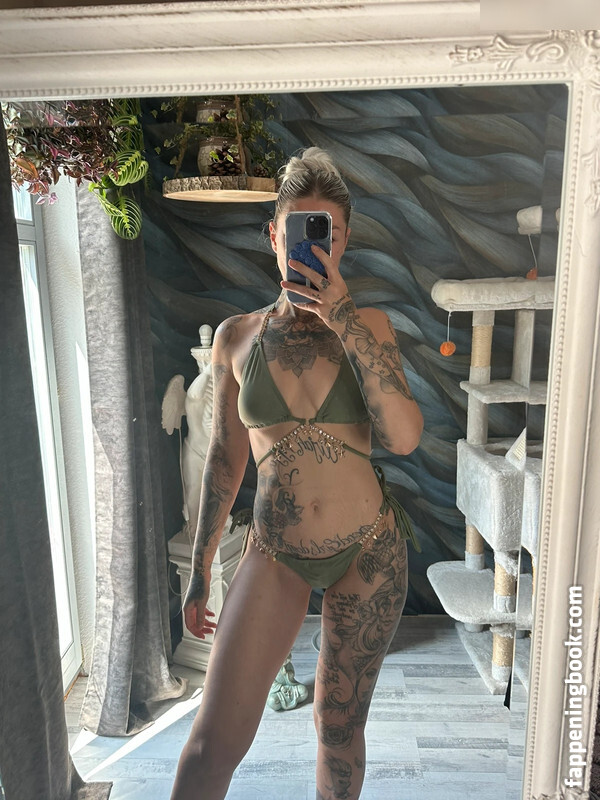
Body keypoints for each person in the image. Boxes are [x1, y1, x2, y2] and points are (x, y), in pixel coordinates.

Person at [169, 146, 424, 800]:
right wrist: (200, 566)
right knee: (208, 747)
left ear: (343, 242)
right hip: (276, 551)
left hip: (368, 552)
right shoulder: (236, 337)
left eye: (327, 234)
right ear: (275, 236)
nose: (313, 247)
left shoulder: (369, 327)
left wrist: (342, 317)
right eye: (300, 231)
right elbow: (225, 459)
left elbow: (402, 438)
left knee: (337, 731)